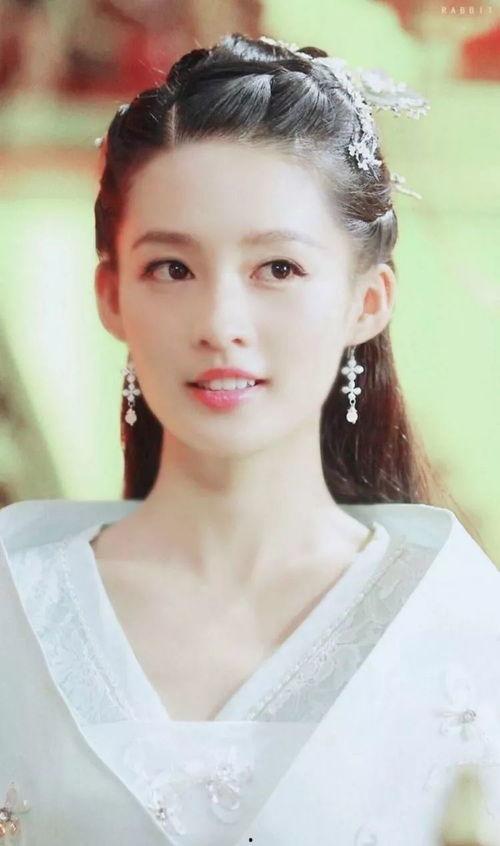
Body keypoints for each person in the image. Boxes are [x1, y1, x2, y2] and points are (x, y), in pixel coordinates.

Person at [1, 32, 499, 846]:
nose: (221, 324)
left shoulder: (466, 634)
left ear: (368, 301)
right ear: (111, 295)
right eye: (172, 268)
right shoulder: (14, 607)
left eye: (278, 269)